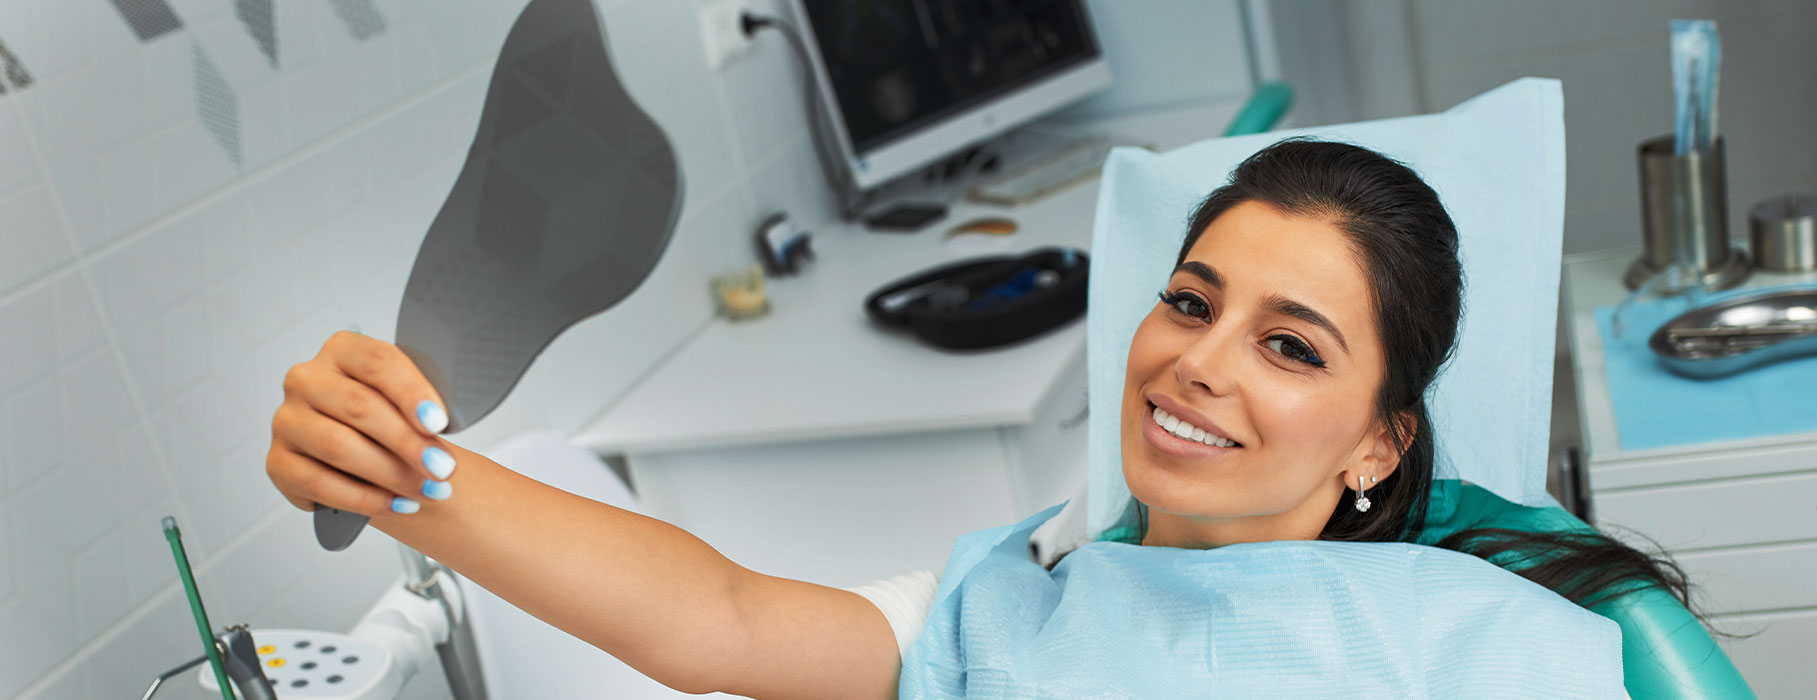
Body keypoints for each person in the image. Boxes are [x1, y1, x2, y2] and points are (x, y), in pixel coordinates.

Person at [265, 139, 1688, 698]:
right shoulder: (1014, 602)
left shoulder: (1501, 651)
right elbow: (714, 621)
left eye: (1291, 346)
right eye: (1189, 303)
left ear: (1380, 438)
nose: (1197, 364)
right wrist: (406, 473)